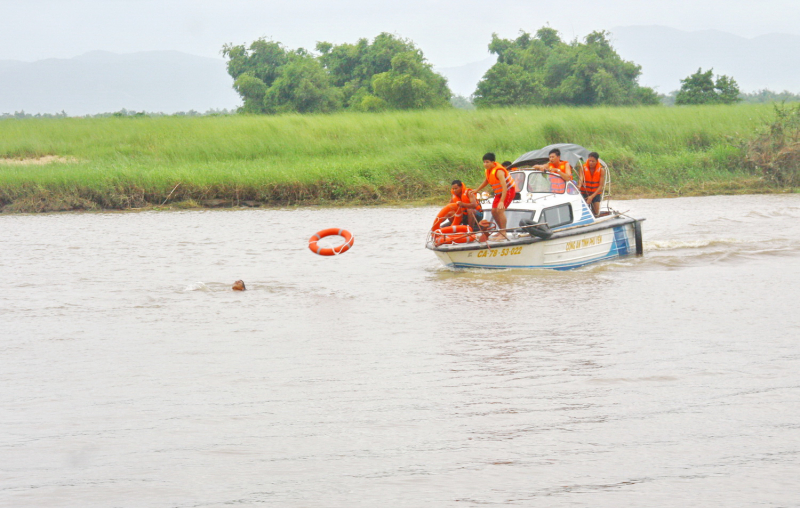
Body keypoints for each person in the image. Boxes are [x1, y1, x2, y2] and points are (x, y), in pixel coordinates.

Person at [475, 152, 516, 239]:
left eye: (487, 162)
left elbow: (505, 186)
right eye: (484, 162)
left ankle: (504, 232)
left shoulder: (499, 171)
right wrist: (477, 190)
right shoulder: (488, 170)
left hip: (508, 191)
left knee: (500, 210)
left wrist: (501, 201)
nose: (485, 164)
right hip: (498, 193)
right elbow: (486, 181)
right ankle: (500, 230)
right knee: (493, 211)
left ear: (493, 162)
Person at [579, 151, 606, 216]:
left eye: (593, 161)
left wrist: (591, 197)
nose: (590, 163)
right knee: (585, 212)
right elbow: (581, 179)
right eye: (589, 160)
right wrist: (579, 186)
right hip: (584, 192)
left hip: (595, 193)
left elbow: (600, 186)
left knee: (596, 213)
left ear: (597, 161)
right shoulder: (583, 167)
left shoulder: (601, 170)